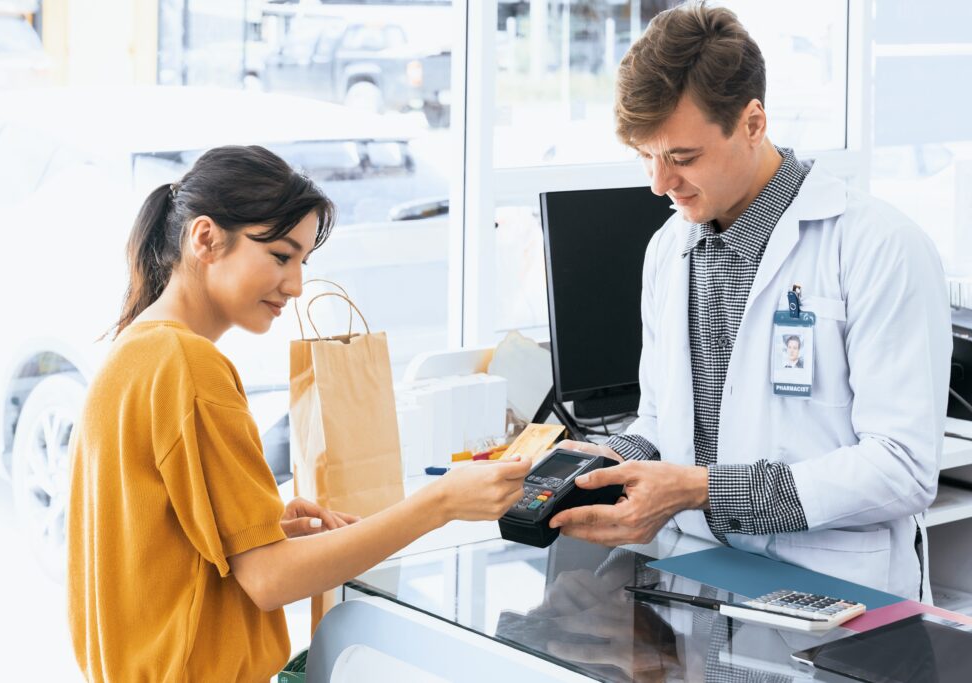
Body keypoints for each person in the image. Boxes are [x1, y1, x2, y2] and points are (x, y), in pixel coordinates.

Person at [67, 145, 531, 681]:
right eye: (281, 256)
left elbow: (148, 550)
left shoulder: (134, 352)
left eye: (303, 261)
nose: (295, 285)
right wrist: (442, 501)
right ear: (205, 239)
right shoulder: (189, 365)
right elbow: (270, 581)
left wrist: (257, 529)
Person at [549, 2, 951, 601]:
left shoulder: (878, 246)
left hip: (835, 590)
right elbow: (662, 423)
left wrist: (702, 489)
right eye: (646, 157)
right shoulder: (668, 248)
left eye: (681, 158)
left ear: (752, 123)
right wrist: (589, 463)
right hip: (698, 578)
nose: (659, 184)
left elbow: (901, 466)